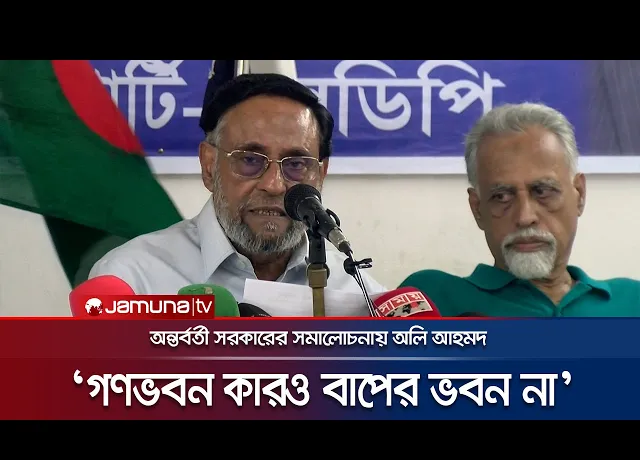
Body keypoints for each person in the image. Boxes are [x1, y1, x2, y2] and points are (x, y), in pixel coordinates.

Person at [89, 73, 387, 299]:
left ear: (320, 175)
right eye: (250, 160)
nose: (273, 185)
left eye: (296, 164)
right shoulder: (134, 280)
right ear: (209, 166)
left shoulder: (357, 294)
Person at [399, 102, 640, 317]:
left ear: (579, 194)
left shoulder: (632, 301)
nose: (525, 217)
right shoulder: (430, 299)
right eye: (501, 197)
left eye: (542, 191)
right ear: (477, 209)